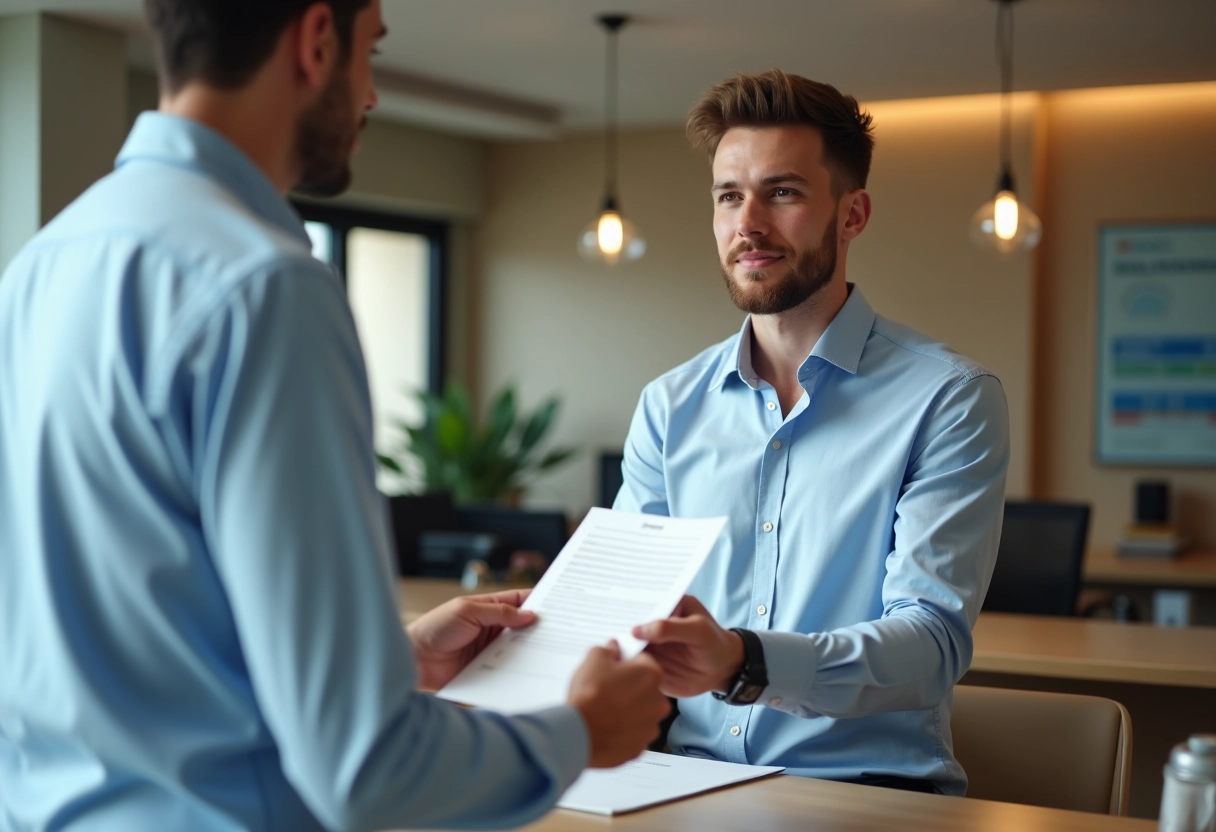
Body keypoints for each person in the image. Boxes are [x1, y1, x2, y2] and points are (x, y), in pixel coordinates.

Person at [0, 1, 669, 829]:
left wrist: (389, 658)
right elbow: (367, 770)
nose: (374, 95)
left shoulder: (40, 265)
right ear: (317, 42)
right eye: (371, 55)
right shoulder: (265, 287)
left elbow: (129, 629)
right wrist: (580, 732)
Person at [618, 69, 1010, 796]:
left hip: (868, 792)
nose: (749, 223)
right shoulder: (668, 406)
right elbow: (630, 611)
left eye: (783, 192)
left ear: (852, 214)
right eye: (729, 195)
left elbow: (931, 642)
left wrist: (744, 662)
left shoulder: (949, 399)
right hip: (681, 784)